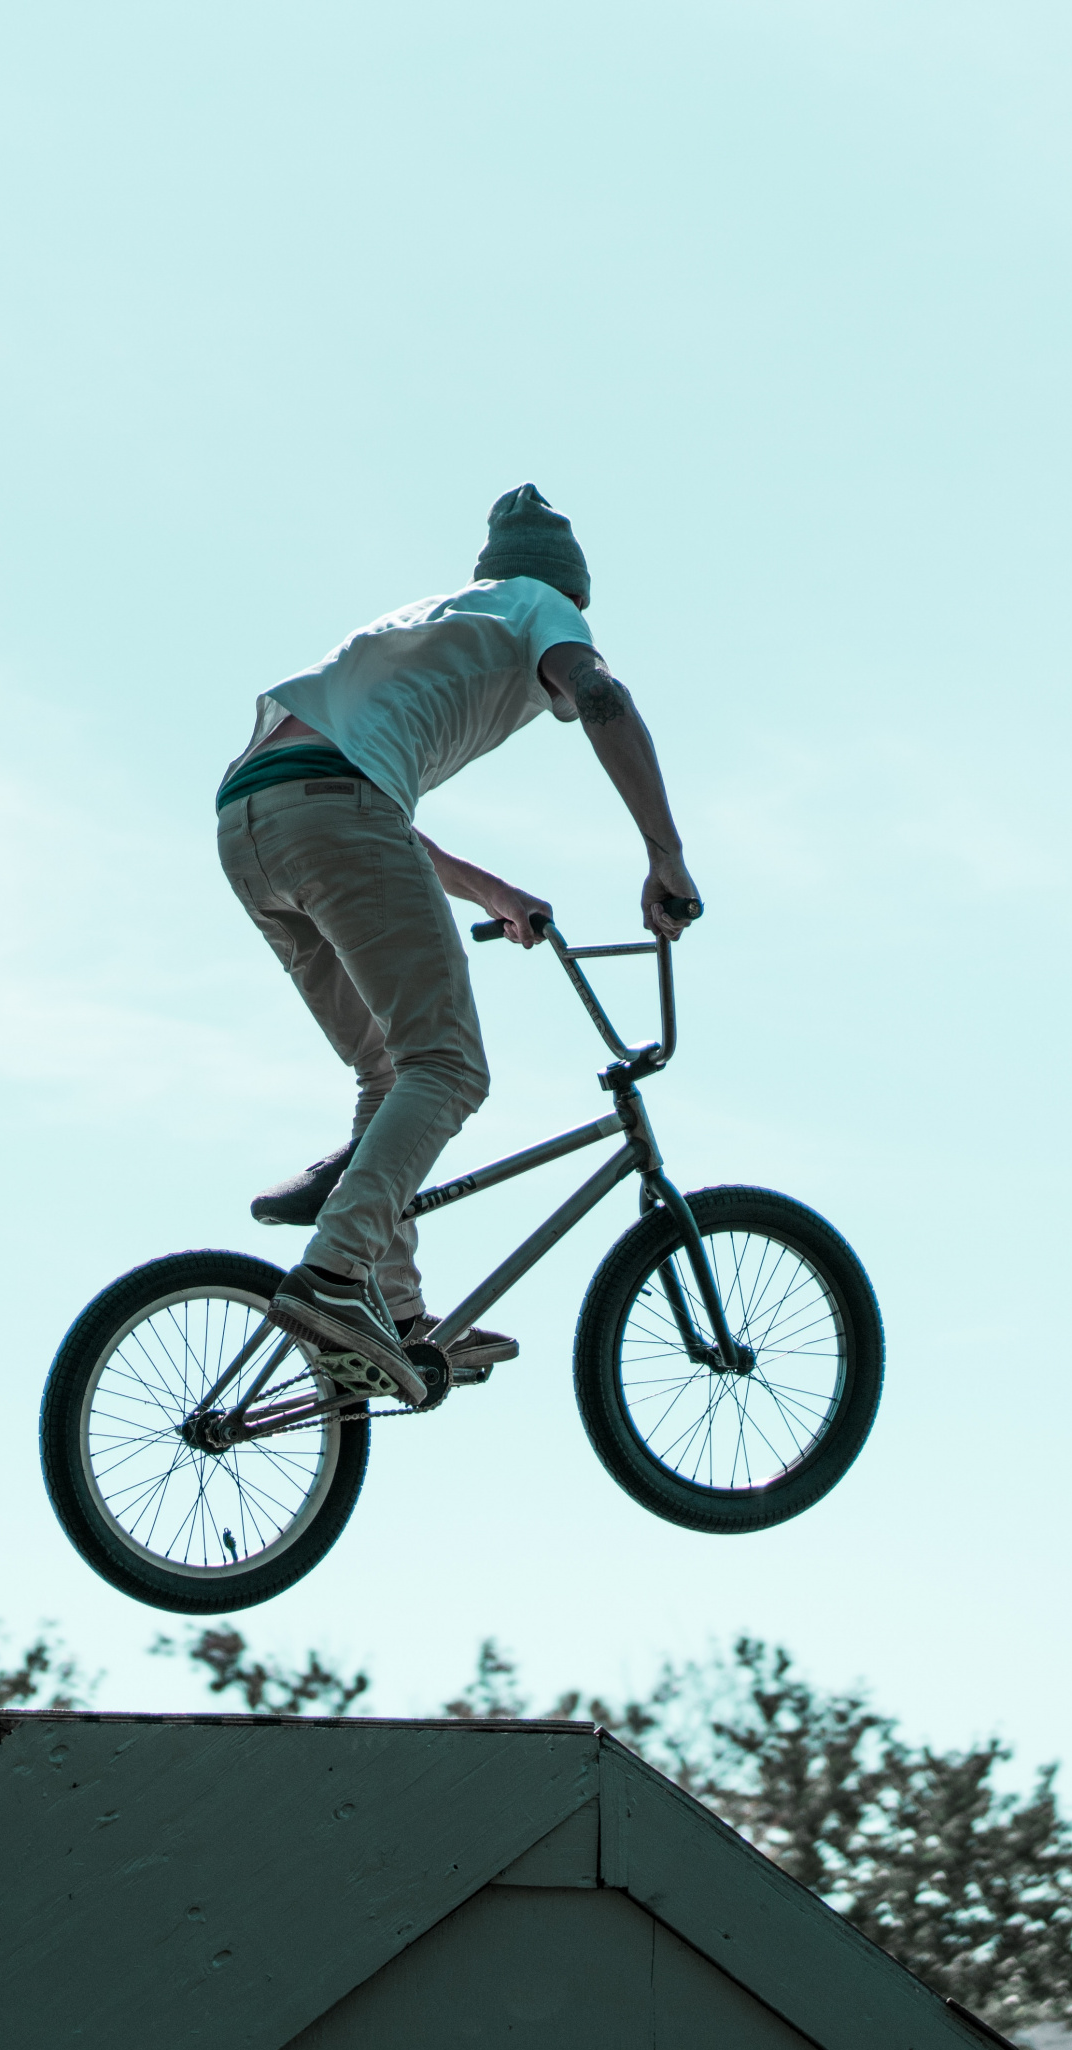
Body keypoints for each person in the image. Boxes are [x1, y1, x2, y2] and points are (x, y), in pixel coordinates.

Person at [214, 484, 700, 1404]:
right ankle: (332, 1278)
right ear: (574, 596)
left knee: (390, 1075)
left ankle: (389, 1318)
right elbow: (602, 695)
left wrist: (489, 890)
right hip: (335, 812)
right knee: (450, 1067)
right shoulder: (538, 605)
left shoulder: (434, 617)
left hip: (250, 822)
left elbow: (345, 796)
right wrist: (665, 855)